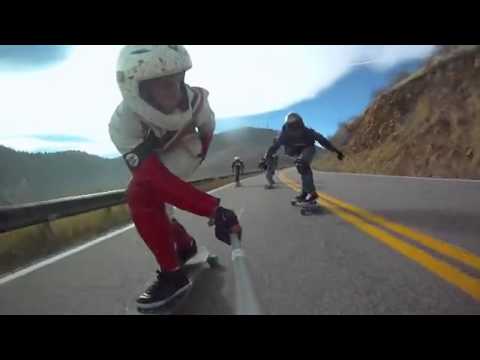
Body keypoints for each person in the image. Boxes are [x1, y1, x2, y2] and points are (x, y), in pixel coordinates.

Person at [108, 45, 241, 309]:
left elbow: (207, 131)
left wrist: (199, 154)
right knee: (151, 197)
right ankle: (185, 244)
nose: (173, 88)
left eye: (176, 78)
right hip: (154, 161)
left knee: (140, 193)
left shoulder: (198, 102)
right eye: (159, 82)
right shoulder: (121, 124)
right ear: (136, 88)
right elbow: (152, 176)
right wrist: (213, 209)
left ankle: (173, 274)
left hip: (186, 150)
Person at [266, 112, 344, 203]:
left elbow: (323, 141)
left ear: (301, 124)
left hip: (308, 148)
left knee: (302, 164)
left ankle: (312, 193)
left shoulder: (308, 132)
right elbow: (274, 146)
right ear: (287, 126)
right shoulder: (284, 134)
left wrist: (336, 151)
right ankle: (304, 193)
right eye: (292, 126)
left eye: (296, 126)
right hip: (296, 152)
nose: (295, 130)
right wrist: (266, 156)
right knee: (302, 169)